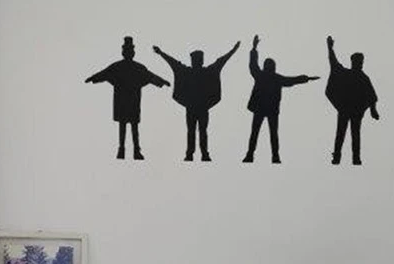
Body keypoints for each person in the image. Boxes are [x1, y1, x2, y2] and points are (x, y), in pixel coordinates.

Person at [152, 41, 240, 161]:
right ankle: (194, 154)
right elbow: (173, 63)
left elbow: (221, 61)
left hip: (198, 107)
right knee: (195, 131)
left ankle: (200, 154)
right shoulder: (196, 71)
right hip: (195, 107)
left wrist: (233, 50)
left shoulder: (199, 71)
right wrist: (161, 53)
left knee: (198, 131)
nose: (197, 61)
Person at [85, 36, 170, 160]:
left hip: (129, 100)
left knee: (129, 126)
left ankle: (132, 150)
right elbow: (104, 73)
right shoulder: (128, 67)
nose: (129, 53)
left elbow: (150, 76)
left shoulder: (128, 67)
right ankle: (125, 150)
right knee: (127, 126)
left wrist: (162, 81)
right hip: (127, 100)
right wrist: (93, 78)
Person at [243, 35, 318, 164]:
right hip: (268, 110)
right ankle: (272, 156)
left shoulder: (262, 75)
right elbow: (291, 80)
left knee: (258, 133)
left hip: (263, 109)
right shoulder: (275, 78)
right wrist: (306, 78)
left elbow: (253, 65)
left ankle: (255, 155)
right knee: (269, 134)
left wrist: (254, 48)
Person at [325, 35, 380, 166]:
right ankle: (337, 157)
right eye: (359, 61)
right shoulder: (347, 74)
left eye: (361, 61)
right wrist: (330, 48)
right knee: (341, 134)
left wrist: (373, 110)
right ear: (353, 62)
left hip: (355, 111)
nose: (360, 63)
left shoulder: (363, 78)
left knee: (355, 135)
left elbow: (372, 95)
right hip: (345, 109)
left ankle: (356, 159)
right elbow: (333, 62)